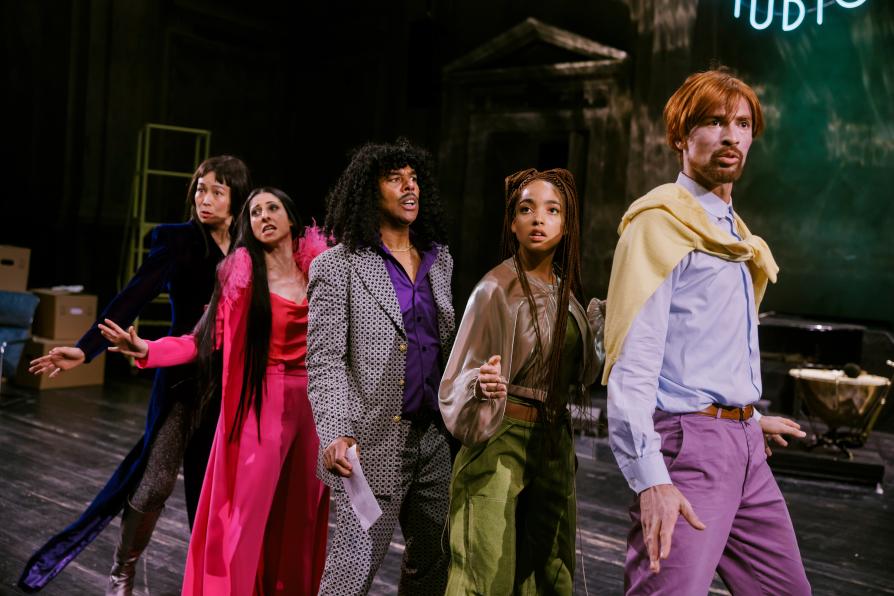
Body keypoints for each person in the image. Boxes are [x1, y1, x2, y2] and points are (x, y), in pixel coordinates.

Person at [604, 68, 811, 595]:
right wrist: (651, 479)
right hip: (688, 451)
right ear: (681, 135)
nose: (731, 136)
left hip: (744, 448)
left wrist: (746, 416)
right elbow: (633, 364)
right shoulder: (659, 226)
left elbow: (704, 348)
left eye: (742, 124)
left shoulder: (734, 234)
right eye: (715, 122)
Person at [20, 155, 251, 594]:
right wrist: (85, 349)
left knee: (214, 492)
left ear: (236, 199)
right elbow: (131, 297)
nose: (204, 199)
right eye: (200, 189)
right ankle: (121, 573)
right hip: (180, 382)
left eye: (217, 192)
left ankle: (210, 582)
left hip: (228, 388)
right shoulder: (178, 241)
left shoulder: (248, 249)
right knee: (156, 482)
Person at [100, 187, 330, 595]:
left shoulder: (321, 275)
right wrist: (147, 349)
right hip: (263, 403)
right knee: (246, 515)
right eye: (255, 212)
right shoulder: (242, 281)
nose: (263, 216)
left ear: (292, 219)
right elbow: (199, 342)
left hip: (313, 408)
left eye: (272, 208)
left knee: (300, 518)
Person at [439, 168, 604, 594]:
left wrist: (598, 332)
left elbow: (584, 374)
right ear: (512, 223)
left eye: (552, 210)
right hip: (502, 436)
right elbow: (458, 375)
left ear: (566, 225)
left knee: (549, 570)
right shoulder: (495, 289)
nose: (538, 219)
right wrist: (480, 383)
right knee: (485, 569)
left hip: (553, 440)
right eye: (526, 209)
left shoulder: (566, 295)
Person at [307, 139, 455, 595]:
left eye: (414, 179)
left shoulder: (439, 260)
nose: (410, 187)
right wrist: (335, 432)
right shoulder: (338, 266)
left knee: (434, 566)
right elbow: (325, 361)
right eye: (395, 179)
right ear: (370, 192)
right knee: (351, 574)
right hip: (370, 443)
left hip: (434, 440)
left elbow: (447, 347)